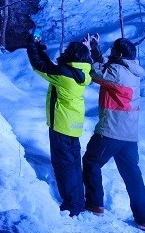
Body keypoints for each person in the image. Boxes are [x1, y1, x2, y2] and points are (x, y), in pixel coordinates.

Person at [83, 35, 145, 230]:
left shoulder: (116, 71)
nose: (110, 53)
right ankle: (142, 219)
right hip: (130, 136)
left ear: (118, 54)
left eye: (112, 50)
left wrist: (87, 51)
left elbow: (95, 73)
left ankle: (95, 205)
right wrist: (96, 50)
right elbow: (107, 67)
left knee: (91, 162)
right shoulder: (132, 71)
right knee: (133, 176)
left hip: (111, 131)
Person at [27, 32, 94, 217]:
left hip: (61, 125)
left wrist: (32, 44)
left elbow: (40, 66)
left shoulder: (65, 75)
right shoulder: (83, 72)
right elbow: (49, 66)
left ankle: (72, 204)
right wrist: (40, 48)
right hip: (74, 125)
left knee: (64, 166)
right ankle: (79, 201)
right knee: (73, 165)